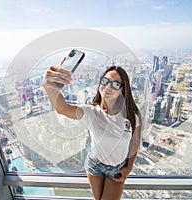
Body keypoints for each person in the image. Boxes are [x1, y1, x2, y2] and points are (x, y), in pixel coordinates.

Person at [42, 64, 141, 200]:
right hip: (95, 165)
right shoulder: (91, 112)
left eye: (115, 85)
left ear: (122, 90)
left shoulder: (131, 115)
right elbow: (63, 109)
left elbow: (135, 142)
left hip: (117, 168)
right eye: (105, 82)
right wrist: (49, 87)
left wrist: (128, 169)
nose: (107, 87)